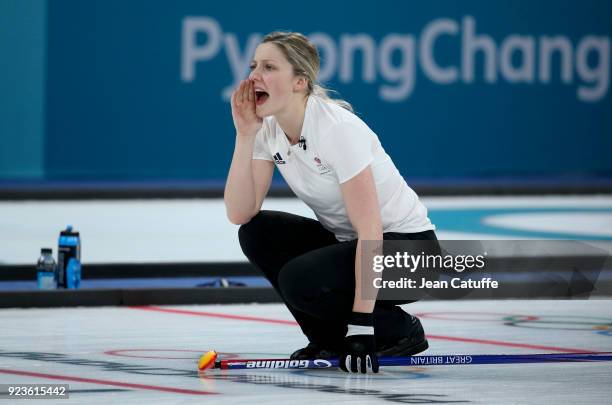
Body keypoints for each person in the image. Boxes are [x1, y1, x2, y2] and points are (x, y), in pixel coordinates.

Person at [224, 31, 437, 374]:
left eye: (268, 67)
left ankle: (397, 329)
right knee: (256, 232)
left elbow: (370, 231)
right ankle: (326, 338)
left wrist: (362, 325)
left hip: (412, 258)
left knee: (300, 278)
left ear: (299, 81)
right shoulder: (268, 129)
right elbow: (240, 212)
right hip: (353, 247)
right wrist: (244, 134)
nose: (254, 76)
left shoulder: (337, 129)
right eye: (253, 66)